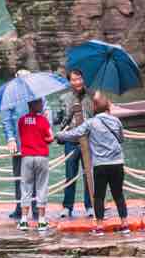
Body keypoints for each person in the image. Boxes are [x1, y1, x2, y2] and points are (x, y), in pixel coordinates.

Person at [55, 92, 130, 235]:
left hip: (100, 165)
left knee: (99, 196)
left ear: (94, 108)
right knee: (118, 194)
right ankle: (124, 224)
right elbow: (121, 138)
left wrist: (58, 135)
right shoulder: (116, 121)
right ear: (108, 106)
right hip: (117, 163)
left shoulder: (91, 123)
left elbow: (75, 134)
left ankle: (100, 226)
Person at [55, 68, 93, 219]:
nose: (77, 82)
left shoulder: (91, 96)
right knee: (70, 175)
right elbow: (60, 118)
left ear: (83, 79)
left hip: (88, 140)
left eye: (79, 79)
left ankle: (90, 205)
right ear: (70, 82)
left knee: (88, 174)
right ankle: (67, 207)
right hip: (71, 141)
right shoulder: (64, 98)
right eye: (74, 80)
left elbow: (97, 116)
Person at [1, 69, 35, 222]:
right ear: (16, 78)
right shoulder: (9, 95)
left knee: (35, 176)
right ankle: (19, 207)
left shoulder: (37, 93)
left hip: (35, 142)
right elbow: (6, 119)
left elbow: (46, 111)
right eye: (21, 77)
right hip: (19, 143)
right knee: (19, 176)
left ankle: (35, 208)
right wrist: (10, 138)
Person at [17, 97, 55, 232]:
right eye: (40, 103)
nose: (42, 104)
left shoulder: (21, 121)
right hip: (41, 157)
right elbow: (50, 138)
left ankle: (23, 220)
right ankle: (41, 221)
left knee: (26, 187)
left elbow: (22, 136)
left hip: (27, 157)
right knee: (41, 187)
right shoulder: (43, 120)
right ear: (35, 105)